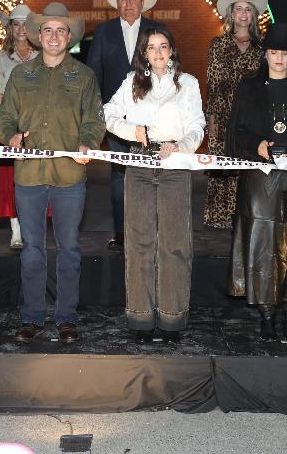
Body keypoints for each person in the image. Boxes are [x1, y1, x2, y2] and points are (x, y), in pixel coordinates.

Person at [0, 3, 105, 344]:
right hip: (28, 175)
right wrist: (10, 137)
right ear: (38, 36)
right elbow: (4, 117)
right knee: (31, 249)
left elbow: (94, 120)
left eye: (60, 30)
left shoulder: (84, 77)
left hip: (69, 175)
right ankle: (31, 317)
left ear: (69, 37)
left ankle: (66, 318)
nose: (54, 36)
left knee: (69, 248)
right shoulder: (21, 75)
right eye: (48, 30)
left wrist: (88, 143)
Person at [104, 24, 205, 343]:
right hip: (139, 164)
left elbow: (197, 125)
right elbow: (107, 114)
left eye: (163, 46)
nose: (158, 52)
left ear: (172, 50)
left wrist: (182, 146)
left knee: (174, 244)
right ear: (144, 54)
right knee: (139, 243)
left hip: (175, 164)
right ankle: (141, 318)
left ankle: (173, 318)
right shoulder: (131, 82)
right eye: (152, 47)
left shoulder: (188, 83)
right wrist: (133, 131)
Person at [228, 23, 287, 342]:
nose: (279, 59)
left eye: (285, 53)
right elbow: (236, 132)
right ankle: (267, 314)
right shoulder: (249, 88)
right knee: (262, 247)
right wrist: (256, 145)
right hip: (260, 179)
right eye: (274, 52)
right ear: (265, 54)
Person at [86, 0, 160, 251]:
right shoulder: (103, 32)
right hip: (116, 120)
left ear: (142, 3)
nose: (128, 4)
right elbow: (93, 74)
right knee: (119, 178)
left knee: (150, 175)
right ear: (116, 4)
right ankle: (121, 234)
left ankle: (149, 232)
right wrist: (95, 114)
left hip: (152, 120)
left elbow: (170, 71)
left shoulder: (157, 31)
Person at [204, 0, 268, 229]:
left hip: (251, 117)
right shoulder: (218, 44)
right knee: (222, 166)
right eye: (238, 8)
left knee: (247, 166)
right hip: (222, 113)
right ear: (231, 14)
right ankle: (220, 217)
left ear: (254, 15)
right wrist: (211, 117)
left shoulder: (262, 47)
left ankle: (245, 214)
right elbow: (211, 81)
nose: (243, 13)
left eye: (248, 9)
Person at [0, 4, 39, 248]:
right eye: (16, 24)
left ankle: (32, 226)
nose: (20, 29)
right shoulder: (0, 58)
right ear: (9, 28)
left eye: (25, 24)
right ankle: (15, 229)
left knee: (36, 177)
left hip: (36, 125)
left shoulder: (42, 56)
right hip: (9, 125)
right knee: (9, 180)